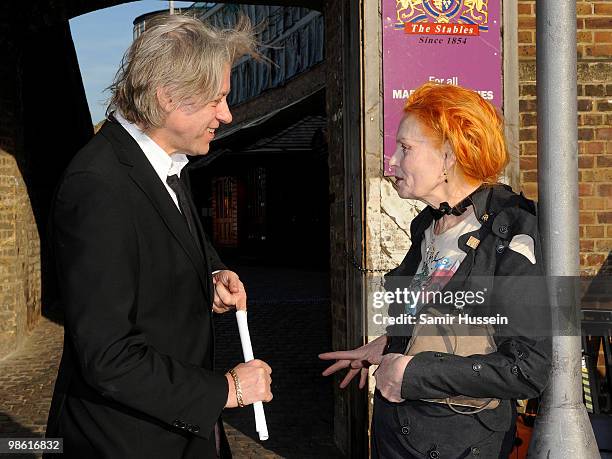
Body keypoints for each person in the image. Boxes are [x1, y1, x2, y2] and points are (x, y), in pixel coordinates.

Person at [44, 15, 272, 459]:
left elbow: (164, 249)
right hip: (125, 439)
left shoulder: (165, 164)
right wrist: (226, 390)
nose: (227, 115)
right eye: (217, 99)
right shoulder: (98, 186)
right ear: (168, 97)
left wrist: (210, 274)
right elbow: (108, 356)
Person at [320, 83, 551, 458]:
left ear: (449, 155)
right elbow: (449, 320)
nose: (391, 161)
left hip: (460, 444)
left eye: (405, 148)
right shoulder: (427, 226)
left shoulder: (511, 233)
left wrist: (414, 373)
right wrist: (389, 344)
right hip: (397, 437)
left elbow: (527, 368)